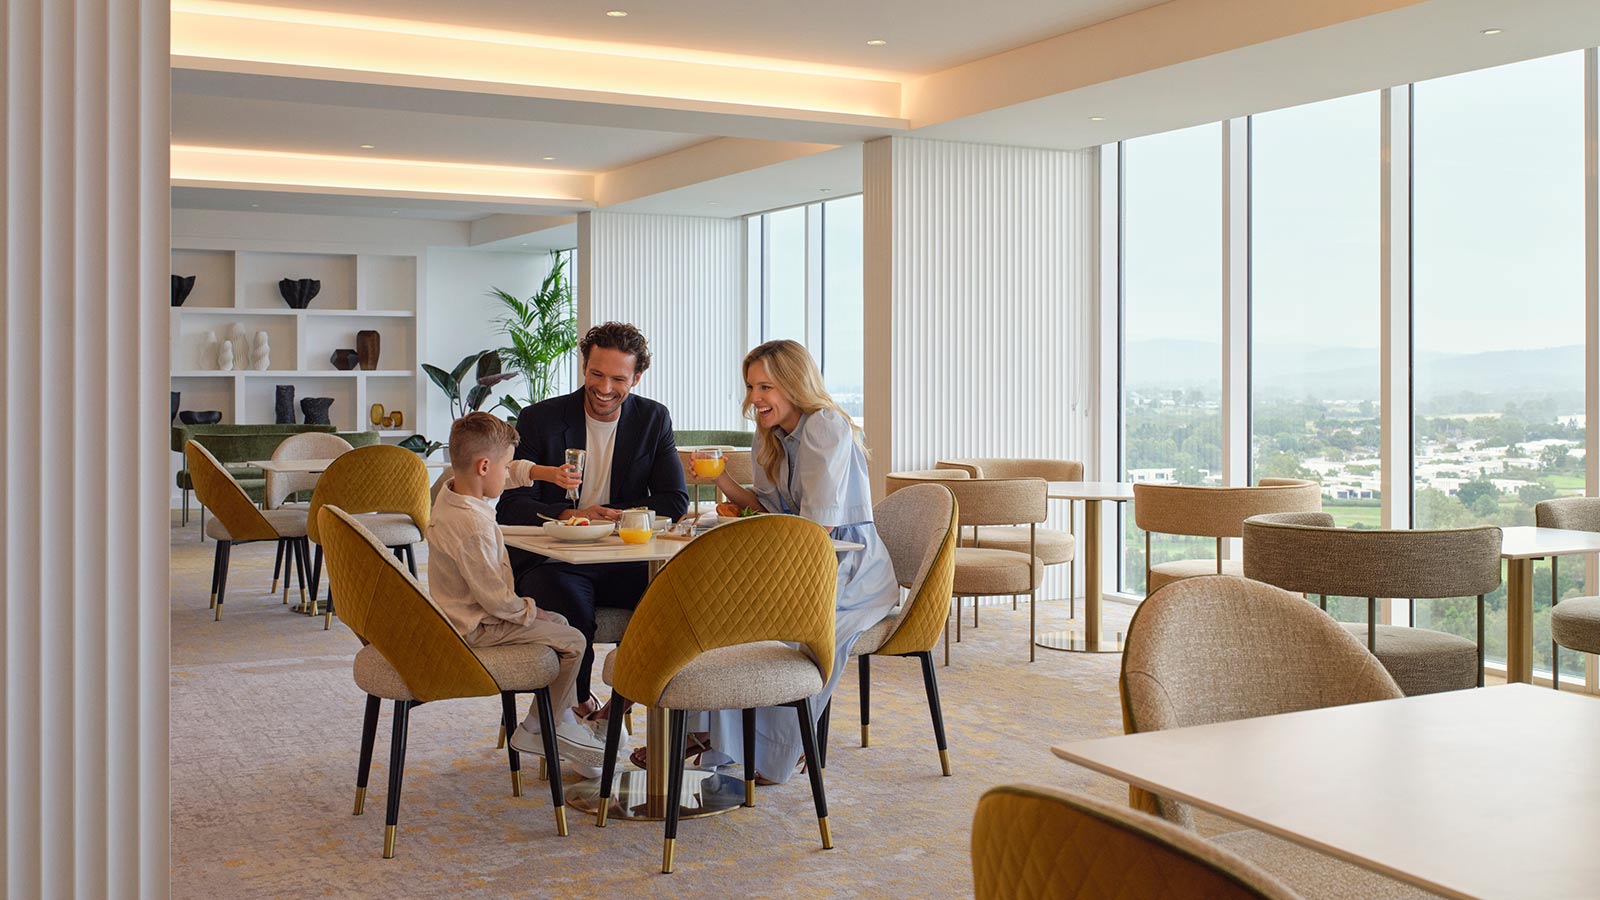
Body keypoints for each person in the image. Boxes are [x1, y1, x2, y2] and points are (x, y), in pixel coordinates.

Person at [696, 339, 898, 783]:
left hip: (847, 567)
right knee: (721, 614)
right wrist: (721, 479)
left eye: (765, 387)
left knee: (783, 631)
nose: (754, 399)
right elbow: (769, 509)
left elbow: (818, 525)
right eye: (751, 387)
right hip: (801, 556)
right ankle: (715, 737)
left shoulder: (825, 425)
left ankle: (771, 753)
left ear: (793, 384)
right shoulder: (769, 434)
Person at [497, 322, 688, 718]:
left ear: (636, 377)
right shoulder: (539, 419)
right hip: (556, 561)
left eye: (618, 378)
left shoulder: (653, 419)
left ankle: (626, 706)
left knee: (679, 602)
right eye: (596, 374)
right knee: (570, 608)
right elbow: (511, 505)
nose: (604, 388)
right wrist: (573, 514)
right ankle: (575, 707)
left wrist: (617, 516)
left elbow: (675, 499)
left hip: (625, 559)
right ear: (584, 367)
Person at [426, 411, 608, 765]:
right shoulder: (472, 529)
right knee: (573, 640)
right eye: (505, 465)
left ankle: (553, 720)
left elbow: (509, 473)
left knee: (559, 622)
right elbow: (497, 601)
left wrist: (544, 473)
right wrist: (531, 611)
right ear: (483, 467)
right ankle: (548, 724)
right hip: (478, 627)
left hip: (469, 614)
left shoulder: (451, 492)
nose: (509, 472)